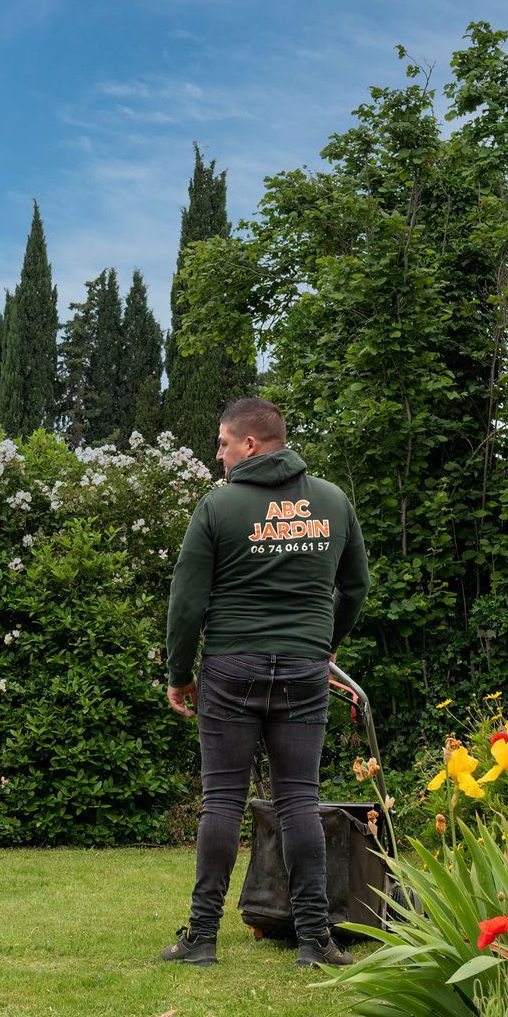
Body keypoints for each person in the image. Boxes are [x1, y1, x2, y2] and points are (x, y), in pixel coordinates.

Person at [161, 397, 371, 969]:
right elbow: (355, 588)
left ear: (250, 445)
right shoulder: (331, 501)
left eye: (223, 445)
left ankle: (201, 938)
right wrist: (326, 644)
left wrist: (180, 674)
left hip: (230, 667)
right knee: (299, 798)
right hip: (304, 668)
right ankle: (314, 940)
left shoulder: (218, 507)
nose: (219, 456)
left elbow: (186, 603)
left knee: (222, 801)